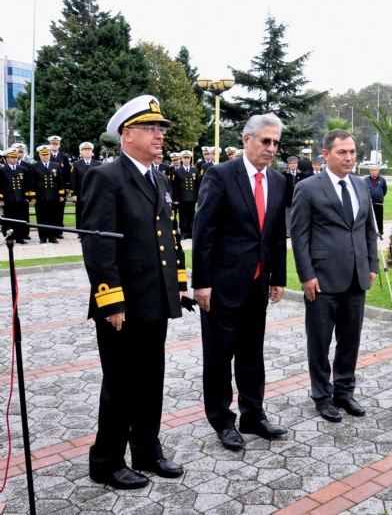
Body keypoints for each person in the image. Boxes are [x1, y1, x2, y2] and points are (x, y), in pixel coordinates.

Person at [81, 94, 188, 489]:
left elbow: (168, 236)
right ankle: (106, 461)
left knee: (150, 379)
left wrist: (177, 285)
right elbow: (98, 244)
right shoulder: (106, 177)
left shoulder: (157, 176)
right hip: (123, 303)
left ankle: (145, 449)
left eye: (161, 129)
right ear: (127, 135)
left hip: (154, 300)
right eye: (151, 129)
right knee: (121, 385)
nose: (160, 135)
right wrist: (111, 300)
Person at [192, 114, 288, 450]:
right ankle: (222, 420)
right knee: (219, 356)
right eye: (265, 141)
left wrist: (278, 276)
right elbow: (204, 232)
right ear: (246, 140)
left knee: (252, 353)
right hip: (221, 285)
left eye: (275, 143)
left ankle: (253, 414)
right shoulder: (220, 175)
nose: (271, 148)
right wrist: (201, 282)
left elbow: (276, 234)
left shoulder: (277, 180)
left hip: (257, 285)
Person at [291, 129, 377, 423]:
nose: (349, 158)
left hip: (356, 278)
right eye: (342, 152)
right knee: (320, 342)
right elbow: (299, 236)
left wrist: (372, 265)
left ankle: (344, 392)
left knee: (350, 340)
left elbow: (367, 229)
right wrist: (306, 275)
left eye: (352, 152)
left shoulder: (360, 185)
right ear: (325, 154)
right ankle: (322, 396)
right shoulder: (308, 187)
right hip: (322, 280)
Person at [31, 145, 65, 244]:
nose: (46, 156)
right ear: (39, 155)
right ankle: (43, 236)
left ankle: (52, 236)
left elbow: (60, 181)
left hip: (53, 196)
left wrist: (61, 195)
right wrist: (33, 196)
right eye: (43, 155)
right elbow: (32, 182)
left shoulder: (56, 165)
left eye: (47, 154)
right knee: (41, 217)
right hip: (41, 196)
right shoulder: (35, 166)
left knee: (53, 217)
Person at [0, 148, 32, 243]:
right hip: (8, 198)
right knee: (9, 218)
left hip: (20, 198)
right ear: (7, 158)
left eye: (16, 157)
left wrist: (26, 196)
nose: (15, 159)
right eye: (12, 158)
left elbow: (26, 184)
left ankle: (19, 237)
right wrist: (1, 198)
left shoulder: (21, 169)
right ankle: (9, 236)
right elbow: (0, 185)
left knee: (20, 218)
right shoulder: (3, 170)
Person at [70, 142, 103, 231]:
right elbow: (73, 180)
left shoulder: (98, 164)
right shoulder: (76, 164)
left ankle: (92, 229)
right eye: (85, 150)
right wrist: (73, 194)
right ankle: (80, 230)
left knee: (93, 211)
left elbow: (101, 180)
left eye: (89, 150)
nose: (87, 152)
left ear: (92, 152)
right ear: (81, 152)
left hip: (94, 192)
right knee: (80, 212)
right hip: (80, 192)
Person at [172, 150, 199, 239]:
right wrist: (175, 199)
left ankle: (191, 232)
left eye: (188, 158)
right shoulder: (177, 171)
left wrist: (198, 197)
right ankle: (184, 233)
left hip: (191, 197)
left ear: (190, 159)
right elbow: (174, 186)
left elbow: (197, 185)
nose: (186, 160)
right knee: (183, 216)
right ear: (181, 159)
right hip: (182, 197)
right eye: (185, 158)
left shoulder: (195, 171)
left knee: (192, 215)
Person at [49, 135, 70, 237]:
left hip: (60, 187)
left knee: (59, 210)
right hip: (49, 187)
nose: (54, 146)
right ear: (50, 145)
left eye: (56, 144)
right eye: (53, 144)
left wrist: (67, 186)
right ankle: (51, 231)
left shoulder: (64, 157)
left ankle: (59, 231)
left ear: (59, 145)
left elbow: (67, 172)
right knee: (50, 211)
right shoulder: (46, 155)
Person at [364, 164, 388, 236]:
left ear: (378, 171)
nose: (374, 172)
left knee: (379, 218)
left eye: (375, 170)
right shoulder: (365, 180)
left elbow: (384, 190)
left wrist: (380, 196)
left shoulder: (382, 180)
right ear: (370, 171)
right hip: (369, 203)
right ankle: (370, 232)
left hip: (379, 203)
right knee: (369, 219)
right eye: (372, 170)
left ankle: (380, 232)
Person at [283, 156, 304, 238]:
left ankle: (298, 230)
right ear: (288, 165)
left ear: (297, 164)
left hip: (299, 199)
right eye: (291, 163)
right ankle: (288, 231)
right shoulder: (284, 175)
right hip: (288, 199)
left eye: (294, 163)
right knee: (288, 216)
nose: (293, 165)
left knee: (299, 215)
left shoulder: (302, 175)